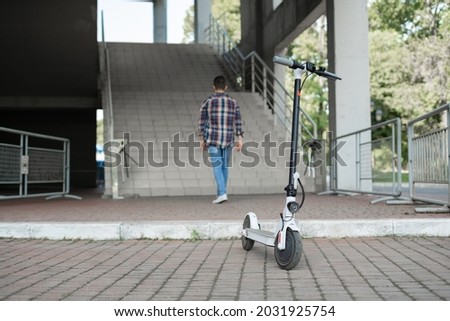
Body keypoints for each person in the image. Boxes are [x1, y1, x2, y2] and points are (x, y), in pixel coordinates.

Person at [198, 75, 243, 204]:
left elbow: (202, 121)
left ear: (213, 87)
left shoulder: (208, 101)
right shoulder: (233, 102)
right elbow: (238, 121)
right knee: (224, 167)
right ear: (226, 87)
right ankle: (221, 193)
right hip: (228, 138)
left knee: (217, 166)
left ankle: (222, 193)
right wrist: (240, 138)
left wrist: (201, 138)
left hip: (213, 138)